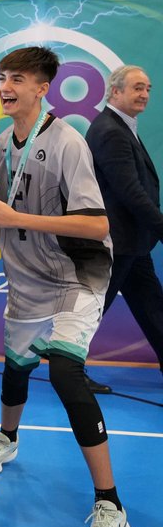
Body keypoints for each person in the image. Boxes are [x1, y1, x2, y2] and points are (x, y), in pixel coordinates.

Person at [0, 46, 129, 527]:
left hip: (76, 274)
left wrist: (15, 219)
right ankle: (8, 438)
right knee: (15, 367)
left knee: (63, 371)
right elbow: (20, 198)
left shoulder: (68, 143)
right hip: (26, 277)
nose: (5, 86)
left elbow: (96, 224)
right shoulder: (1, 140)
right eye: (1, 77)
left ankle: (110, 505)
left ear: (42, 88)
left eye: (17, 78)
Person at [86, 65, 163, 382]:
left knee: (152, 305)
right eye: (137, 88)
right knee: (91, 312)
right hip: (118, 240)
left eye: (147, 88)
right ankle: (69, 370)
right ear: (114, 91)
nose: (144, 94)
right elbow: (130, 191)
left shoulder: (120, 126)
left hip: (132, 241)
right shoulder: (110, 130)